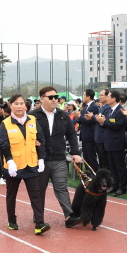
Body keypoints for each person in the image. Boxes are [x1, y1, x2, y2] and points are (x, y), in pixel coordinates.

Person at [29, 86, 82, 222]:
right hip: (40, 160)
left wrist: (75, 153)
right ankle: (38, 217)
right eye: (51, 97)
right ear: (42, 99)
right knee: (39, 191)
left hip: (59, 158)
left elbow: (71, 134)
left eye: (56, 97)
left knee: (61, 188)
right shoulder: (33, 116)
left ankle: (69, 216)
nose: (54, 100)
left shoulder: (63, 115)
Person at [0, 93, 49, 234]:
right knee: (11, 195)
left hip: (31, 164)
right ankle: (12, 220)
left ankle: (40, 223)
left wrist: (41, 158)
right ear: (11, 106)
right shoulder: (5, 123)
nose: (19, 106)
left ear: (25, 105)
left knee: (36, 195)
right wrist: (9, 160)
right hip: (14, 166)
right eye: (16, 104)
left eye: (21, 103)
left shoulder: (32, 120)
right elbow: (3, 144)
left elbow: (41, 140)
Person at [96, 89, 127, 196]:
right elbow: (108, 125)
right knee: (112, 167)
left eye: (108, 97)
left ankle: (122, 187)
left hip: (117, 143)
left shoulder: (120, 111)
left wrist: (105, 121)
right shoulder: (110, 110)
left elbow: (118, 126)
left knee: (119, 166)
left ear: (114, 98)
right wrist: (102, 122)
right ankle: (115, 185)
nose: (106, 98)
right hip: (109, 142)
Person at [78, 89, 100, 169]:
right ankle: (88, 176)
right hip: (84, 135)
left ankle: (94, 175)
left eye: (84, 95)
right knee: (86, 158)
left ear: (88, 96)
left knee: (91, 157)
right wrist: (79, 118)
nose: (83, 97)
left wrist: (79, 117)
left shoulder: (94, 107)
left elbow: (90, 121)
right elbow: (83, 120)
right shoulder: (86, 106)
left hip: (90, 135)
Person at [94, 89, 110, 169]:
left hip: (104, 138)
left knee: (105, 161)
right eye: (100, 95)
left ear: (107, 97)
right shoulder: (102, 108)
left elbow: (105, 121)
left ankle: (106, 179)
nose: (100, 97)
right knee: (101, 160)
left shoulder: (108, 108)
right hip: (98, 137)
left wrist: (94, 118)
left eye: (102, 95)